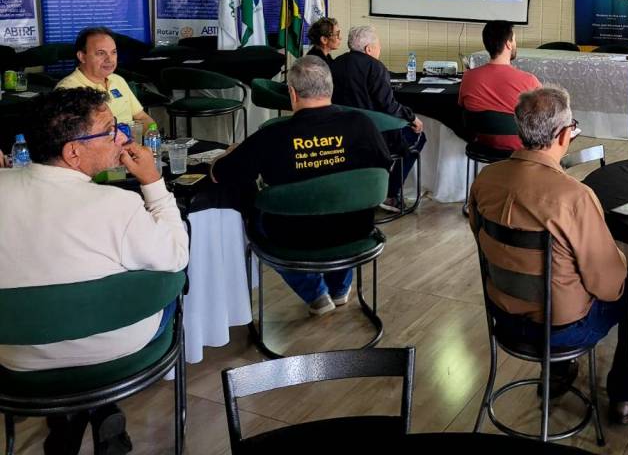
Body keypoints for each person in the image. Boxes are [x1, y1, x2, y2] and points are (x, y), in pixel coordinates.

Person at [0, 88, 189, 455]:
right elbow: (176, 255)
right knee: (167, 291)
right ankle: (99, 407)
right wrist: (153, 183)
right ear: (73, 152)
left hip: (17, 354)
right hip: (117, 348)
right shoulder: (118, 205)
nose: (122, 138)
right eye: (110, 131)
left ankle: (68, 415)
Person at [469, 86, 628, 424]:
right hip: (562, 330)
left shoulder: (485, 179)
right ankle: (624, 396)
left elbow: (478, 234)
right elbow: (608, 286)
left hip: (502, 317)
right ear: (563, 135)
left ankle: (558, 373)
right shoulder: (575, 197)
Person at [211, 56, 392, 315]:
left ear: (292, 93)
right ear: (330, 88)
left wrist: (227, 154)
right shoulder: (361, 124)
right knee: (342, 203)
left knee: (254, 212)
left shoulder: (272, 135)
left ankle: (315, 293)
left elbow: (222, 174)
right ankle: (339, 288)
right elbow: (383, 168)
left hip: (291, 237)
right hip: (355, 230)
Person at [331, 25, 425, 209]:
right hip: (374, 135)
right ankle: (389, 194)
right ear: (369, 49)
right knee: (417, 137)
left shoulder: (335, 64)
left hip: (341, 134)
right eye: (378, 46)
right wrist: (412, 118)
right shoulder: (375, 67)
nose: (379, 49)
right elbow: (389, 106)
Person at [458, 20, 541, 150]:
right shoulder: (529, 81)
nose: (515, 44)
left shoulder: (468, 77)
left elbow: (462, 106)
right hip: (520, 149)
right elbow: (543, 116)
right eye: (514, 40)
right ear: (508, 44)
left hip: (480, 145)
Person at [56, 27, 155, 129]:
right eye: (101, 53)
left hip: (132, 138)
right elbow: (70, 134)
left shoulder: (118, 80)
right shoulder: (68, 89)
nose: (109, 59)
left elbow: (142, 117)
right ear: (82, 57)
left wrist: (153, 132)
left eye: (113, 52)